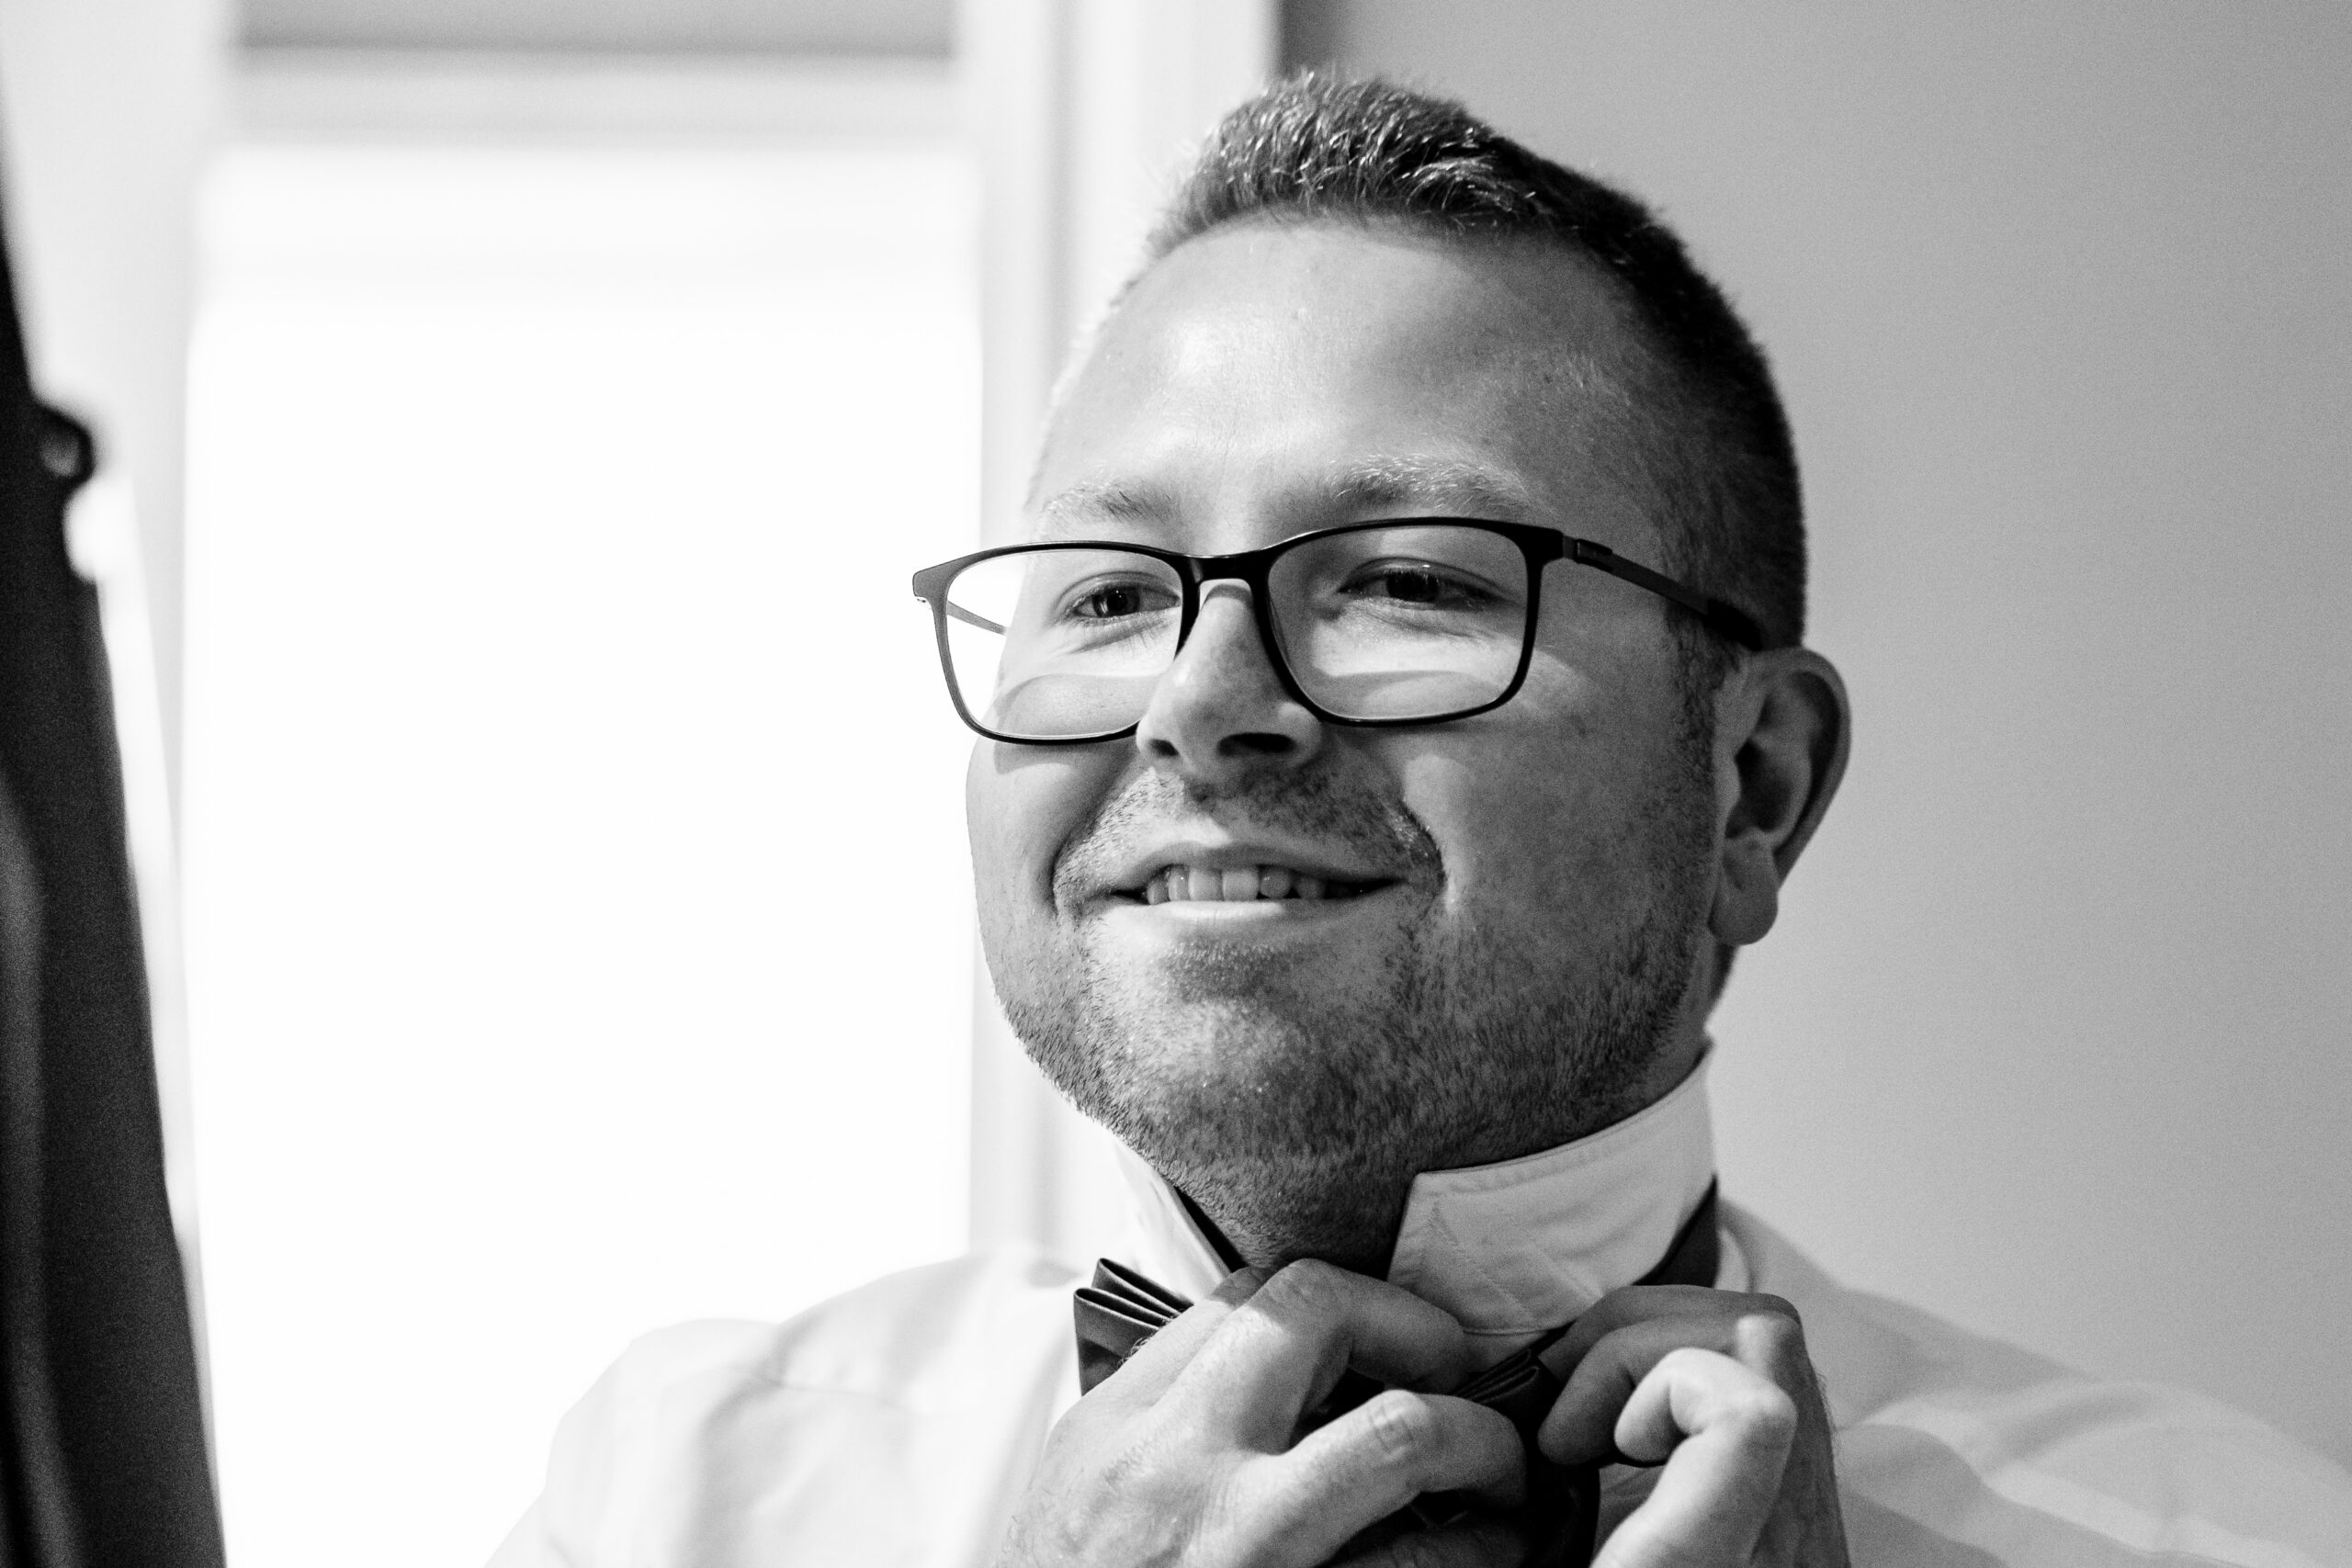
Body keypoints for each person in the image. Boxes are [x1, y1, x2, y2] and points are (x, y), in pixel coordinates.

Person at [490, 74, 2352, 1567]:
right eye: (1109, 593)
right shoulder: (674, 1497)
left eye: (1401, 579)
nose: (1202, 700)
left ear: (1751, 785)